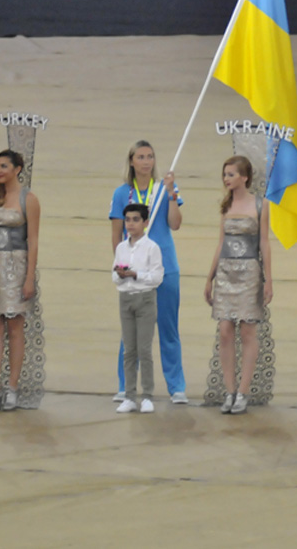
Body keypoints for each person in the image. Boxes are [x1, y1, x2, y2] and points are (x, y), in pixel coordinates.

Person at [110, 140, 188, 404]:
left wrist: (171, 194)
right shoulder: (122, 193)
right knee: (131, 331)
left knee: (168, 328)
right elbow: (116, 234)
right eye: (141, 157)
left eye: (150, 156)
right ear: (131, 161)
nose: (146, 161)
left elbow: (175, 224)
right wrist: (121, 265)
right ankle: (126, 385)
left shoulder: (164, 188)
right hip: (134, 270)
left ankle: (176, 387)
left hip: (165, 267)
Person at [205, 155, 273, 415]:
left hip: (249, 273)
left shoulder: (260, 204)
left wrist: (268, 278)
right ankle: (229, 390)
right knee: (225, 330)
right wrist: (210, 277)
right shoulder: (226, 206)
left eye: (231, 174)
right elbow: (220, 243)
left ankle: (243, 392)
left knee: (247, 331)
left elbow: (264, 242)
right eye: (225, 174)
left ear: (245, 177)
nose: (227, 179)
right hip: (226, 272)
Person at [0, 150, 40, 413]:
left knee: (14, 325)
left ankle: (12, 387)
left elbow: (33, 240)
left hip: (16, 265)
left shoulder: (29, 199)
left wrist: (29, 277)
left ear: (17, 169)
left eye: (4, 166)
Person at [113, 203, 163, 414]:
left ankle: (147, 396)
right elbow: (114, 275)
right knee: (129, 350)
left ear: (145, 222)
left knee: (144, 349)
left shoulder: (152, 247)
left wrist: (136, 275)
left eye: (135, 220)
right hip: (126, 298)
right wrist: (120, 275)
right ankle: (129, 396)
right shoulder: (121, 248)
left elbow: (157, 277)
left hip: (145, 299)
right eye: (127, 220)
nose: (130, 224)